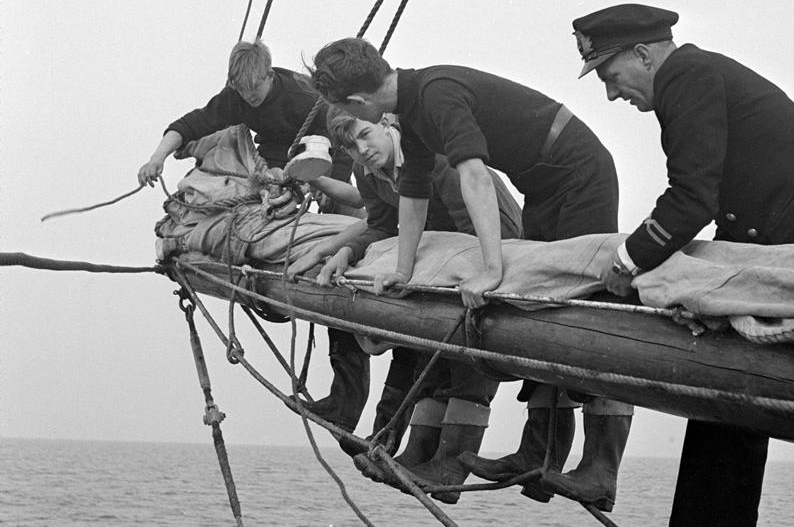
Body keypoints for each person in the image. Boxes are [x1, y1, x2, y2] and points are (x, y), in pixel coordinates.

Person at [569, 4, 794, 526]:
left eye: (609, 74)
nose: (611, 92)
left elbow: (691, 200)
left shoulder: (687, 76)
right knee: (738, 387)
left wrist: (625, 263)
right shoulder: (697, 76)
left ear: (644, 54)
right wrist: (706, 291)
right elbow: (731, 209)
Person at [309, 37, 633, 513]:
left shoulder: (436, 94)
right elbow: (414, 194)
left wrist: (492, 268)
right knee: (541, 312)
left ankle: (601, 470)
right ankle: (537, 456)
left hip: (579, 172)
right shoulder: (412, 106)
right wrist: (402, 269)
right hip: (544, 183)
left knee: (581, 307)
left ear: (357, 102)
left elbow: (475, 176)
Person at [137, 39, 371, 434]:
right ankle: (340, 397)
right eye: (242, 92)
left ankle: (348, 400)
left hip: (332, 167)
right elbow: (190, 124)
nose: (251, 99)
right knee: (298, 260)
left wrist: (326, 187)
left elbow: (345, 139)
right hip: (278, 172)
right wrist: (156, 157)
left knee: (339, 273)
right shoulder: (239, 96)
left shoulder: (302, 95)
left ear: (268, 74)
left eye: (256, 90)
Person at [319, 112, 523, 504]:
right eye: (350, 147)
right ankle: (413, 453)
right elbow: (381, 224)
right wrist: (347, 250)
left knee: (468, 360)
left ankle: (449, 466)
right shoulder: (368, 172)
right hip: (435, 261)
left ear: (385, 123)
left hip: (490, 243)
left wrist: (453, 272)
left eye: (365, 135)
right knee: (423, 352)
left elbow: (483, 225)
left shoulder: (438, 160)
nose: (362, 150)